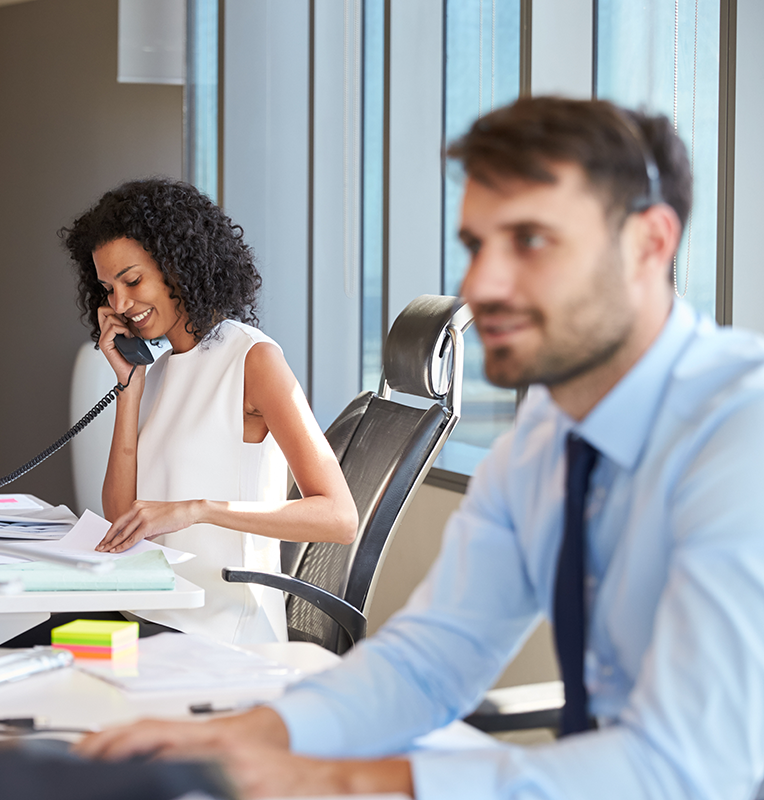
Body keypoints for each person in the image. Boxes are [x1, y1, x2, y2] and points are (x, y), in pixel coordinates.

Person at [75, 98, 764, 799]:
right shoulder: (544, 446)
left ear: (649, 244)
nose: (482, 286)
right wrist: (239, 739)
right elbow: (430, 662)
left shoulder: (741, 434)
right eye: (475, 246)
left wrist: (336, 780)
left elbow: (690, 767)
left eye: (529, 240)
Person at [61, 179, 358, 644]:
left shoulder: (252, 359)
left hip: (222, 633)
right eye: (107, 288)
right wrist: (129, 385)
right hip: (154, 619)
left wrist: (198, 510)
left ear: (178, 267)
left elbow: (339, 517)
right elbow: (122, 517)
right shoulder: (157, 370)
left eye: (133, 280)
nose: (119, 304)